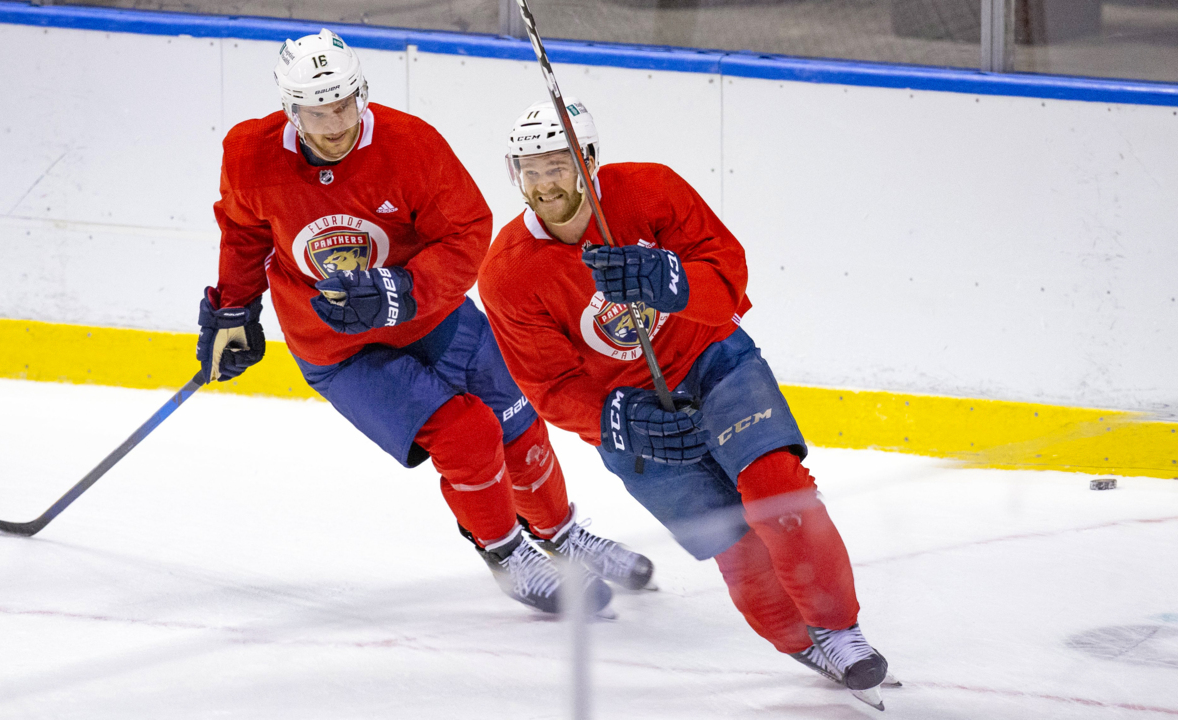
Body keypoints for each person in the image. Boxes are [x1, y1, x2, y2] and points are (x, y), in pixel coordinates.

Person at [194, 30, 655, 616]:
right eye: (317, 110)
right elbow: (245, 231)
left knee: (516, 418)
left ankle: (562, 536)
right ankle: (506, 554)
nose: (335, 123)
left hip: (431, 316)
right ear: (291, 108)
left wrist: (402, 291)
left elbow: (466, 230)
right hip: (339, 348)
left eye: (344, 103)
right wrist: (233, 307)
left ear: (362, 91)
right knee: (466, 433)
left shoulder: (410, 144)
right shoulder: (250, 152)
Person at [478, 98, 896, 709]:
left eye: (558, 165)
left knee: (777, 487)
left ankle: (838, 629)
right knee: (736, 544)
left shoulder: (649, 191)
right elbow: (548, 385)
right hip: (631, 414)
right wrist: (617, 421)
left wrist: (669, 282)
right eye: (531, 169)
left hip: (713, 361)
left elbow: (728, 277)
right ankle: (794, 639)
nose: (544, 183)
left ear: (588, 160)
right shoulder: (507, 273)